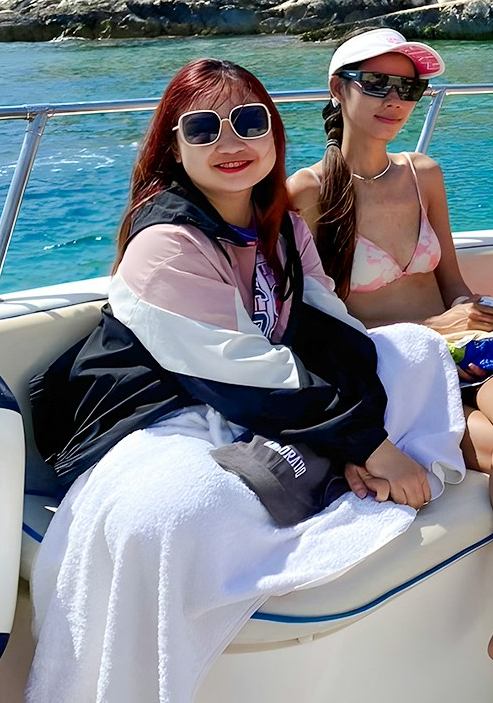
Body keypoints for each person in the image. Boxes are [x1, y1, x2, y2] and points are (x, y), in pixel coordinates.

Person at [29, 59, 464, 702]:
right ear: (173, 147)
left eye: (248, 121)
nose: (229, 143)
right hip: (156, 408)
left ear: (273, 133)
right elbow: (244, 376)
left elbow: (332, 328)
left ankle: (336, 471)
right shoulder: (165, 243)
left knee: (412, 349)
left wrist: (360, 436)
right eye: (203, 127)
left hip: (250, 395)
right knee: (172, 510)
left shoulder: (281, 226)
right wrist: (373, 447)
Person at [287, 29, 493, 703]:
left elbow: (452, 279)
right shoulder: (305, 195)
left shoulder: (423, 174)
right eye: (377, 84)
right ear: (338, 90)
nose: (395, 100)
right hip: (394, 381)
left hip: (461, 365)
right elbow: (316, 334)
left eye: (409, 87)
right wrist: (431, 328)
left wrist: (475, 313)